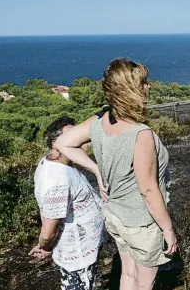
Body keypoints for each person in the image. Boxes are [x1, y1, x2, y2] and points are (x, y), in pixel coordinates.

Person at [55, 58, 178, 290]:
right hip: (141, 223)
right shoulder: (140, 134)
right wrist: (168, 230)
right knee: (144, 282)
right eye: (144, 83)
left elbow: (63, 143)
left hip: (115, 216)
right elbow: (149, 191)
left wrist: (97, 170)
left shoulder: (99, 120)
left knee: (128, 275)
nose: (148, 87)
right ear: (131, 90)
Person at [29, 115, 104, 290]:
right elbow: (49, 229)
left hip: (84, 250)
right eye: (70, 135)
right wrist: (45, 247)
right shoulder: (55, 178)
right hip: (77, 256)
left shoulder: (63, 164)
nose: (77, 139)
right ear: (56, 143)